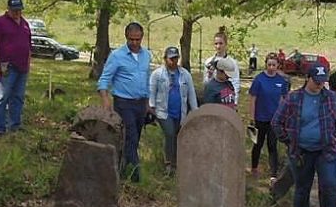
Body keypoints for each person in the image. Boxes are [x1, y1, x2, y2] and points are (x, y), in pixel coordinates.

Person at [271, 62, 336, 207]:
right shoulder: (293, 98)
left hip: (326, 149)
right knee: (302, 183)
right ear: (308, 79)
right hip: (302, 150)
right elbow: (276, 122)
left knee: (329, 183)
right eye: (316, 81)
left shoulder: (331, 98)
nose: (320, 84)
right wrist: (289, 140)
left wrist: (335, 137)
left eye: (323, 81)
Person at [98, 22, 153, 182]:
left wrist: (148, 104)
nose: (135, 43)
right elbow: (104, 79)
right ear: (126, 37)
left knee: (134, 139)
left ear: (142, 38)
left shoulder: (146, 55)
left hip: (140, 103)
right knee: (131, 136)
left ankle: (121, 168)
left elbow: (146, 79)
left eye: (137, 39)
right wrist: (105, 99)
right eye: (131, 39)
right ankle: (136, 175)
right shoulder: (117, 56)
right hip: (124, 102)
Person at [149, 46, 198, 176]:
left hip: (180, 111)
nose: (173, 61)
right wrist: (151, 106)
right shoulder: (157, 74)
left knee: (177, 135)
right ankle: (168, 163)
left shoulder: (184, 74)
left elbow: (191, 93)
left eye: (176, 58)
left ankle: (177, 162)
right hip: (163, 111)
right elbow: (152, 91)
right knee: (170, 133)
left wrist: (195, 111)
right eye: (171, 59)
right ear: (165, 59)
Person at [0, 0, 32, 135]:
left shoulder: (25, 24)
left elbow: (28, 46)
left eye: (19, 10)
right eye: (14, 10)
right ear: (8, 9)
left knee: (18, 97)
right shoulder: (0, 23)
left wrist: (28, 64)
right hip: (7, 66)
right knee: (1, 97)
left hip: (22, 66)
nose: (17, 12)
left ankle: (15, 125)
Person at [248, 53, 290, 179]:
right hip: (260, 118)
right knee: (258, 144)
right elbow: (252, 98)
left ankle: (273, 174)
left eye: (274, 65)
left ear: (278, 65)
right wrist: (252, 117)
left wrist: (283, 117)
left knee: (272, 145)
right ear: (266, 64)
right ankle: (254, 168)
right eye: (269, 64)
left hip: (274, 120)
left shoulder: (281, 81)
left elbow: (283, 99)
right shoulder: (259, 79)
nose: (271, 67)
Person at [204, 27, 240, 106]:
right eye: (216, 44)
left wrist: (235, 102)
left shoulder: (232, 62)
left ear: (226, 44)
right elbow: (206, 82)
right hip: (213, 95)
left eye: (221, 43)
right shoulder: (209, 61)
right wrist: (209, 75)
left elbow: (235, 82)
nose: (218, 46)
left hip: (227, 96)